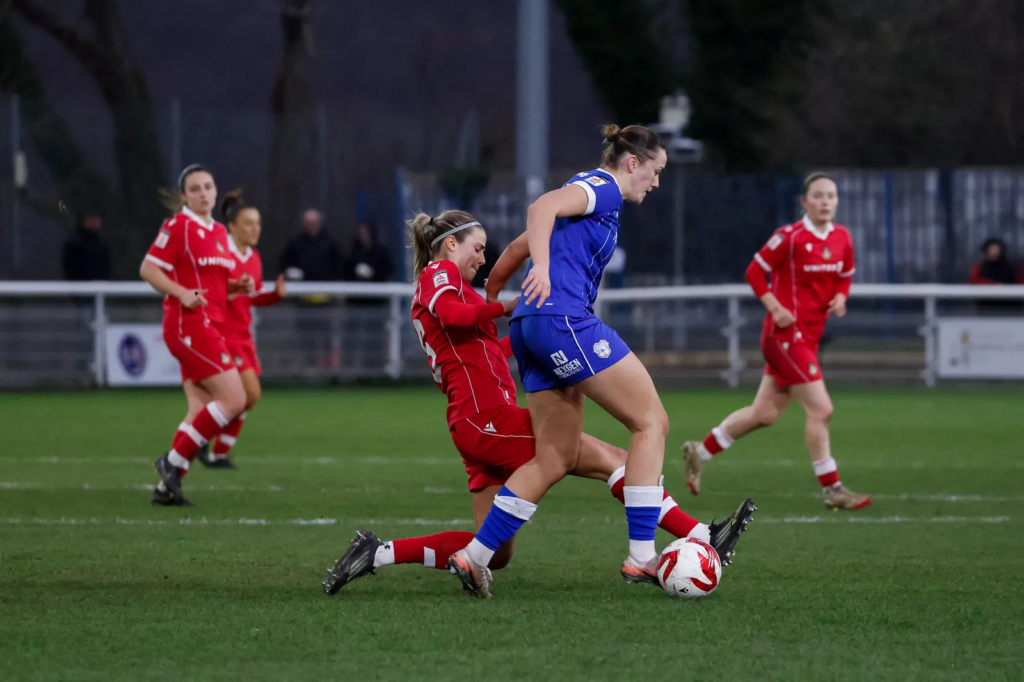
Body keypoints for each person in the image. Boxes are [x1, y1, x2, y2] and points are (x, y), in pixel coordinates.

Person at [322, 210, 743, 597]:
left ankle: (376, 553)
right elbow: (452, 316)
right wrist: (508, 306)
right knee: (614, 458)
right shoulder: (438, 274)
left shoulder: (459, 289)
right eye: (478, 247)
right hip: (487, 418)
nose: (483, 258)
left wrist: (542, 335)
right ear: (451, 244)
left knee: (497, 552)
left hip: (478, 425)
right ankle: (701, 535)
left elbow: (489, 349)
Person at [447, 125, 756, 597]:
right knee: (651, 422)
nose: (655, 183)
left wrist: (493, 290)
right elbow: (539, 208)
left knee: (553, 457)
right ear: (632, 162)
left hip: (532, 327)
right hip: (563, 321)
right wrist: (545, 274)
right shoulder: (604, 187)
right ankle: (641, 557)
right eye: (655, 172)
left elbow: (517, 247)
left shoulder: (589, 193)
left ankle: (474, 557)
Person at [682, 172, 872, 511]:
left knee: (764, 414)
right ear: (804, 202)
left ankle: (700, 451)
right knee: (821, 409)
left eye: (831, 195)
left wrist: (841, 299)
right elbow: (754, 272)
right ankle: (833, 489)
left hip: (808, 338)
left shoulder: (842, 237)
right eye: (818, 195)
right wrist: (775, 306)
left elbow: (846, 277)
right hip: (784, 336)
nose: (826, 201)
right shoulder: (789, 237)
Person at [139, 164, 250, 506]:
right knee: (235, 399)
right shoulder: (178, 226)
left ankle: (165, 490)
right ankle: (170, 463)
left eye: (208, 187)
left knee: (199, 409)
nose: (203, 193)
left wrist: (233, 286)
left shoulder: (217, 231)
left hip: (209, 322)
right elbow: (148, 268)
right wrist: (181, 292)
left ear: (215, 192)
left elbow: (209, 282)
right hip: (189, 325)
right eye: (195, 188)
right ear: (184, 195)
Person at [194, 190, 287, 470]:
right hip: (222, 336)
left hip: (244, 337)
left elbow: (252, 296)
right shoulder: (221, 256)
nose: (254, 228)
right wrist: (229, 290)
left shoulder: (254, 257)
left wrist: (274, 296)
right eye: (248, 223)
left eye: (257, 223)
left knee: (239, 399)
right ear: (232, 226)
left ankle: (216, 452)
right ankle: (204, 441)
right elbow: (206, 293)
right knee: (249, 394)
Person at [279, 209, 342, 368]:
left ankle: (328, 366)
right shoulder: (295, 243)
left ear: (319, 223)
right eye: (308, 223)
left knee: (326, 335)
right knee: (305, 335)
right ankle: (309, 365)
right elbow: (284, 264)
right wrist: (290, 272)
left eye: (314, 223)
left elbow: (339, 266)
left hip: (325, 299)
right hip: (303, 300)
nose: (311, 226)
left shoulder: (330, 243)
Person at [969, 237, 1024, 313]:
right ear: (986, 251)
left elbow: (1020, 284)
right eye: (991, 249)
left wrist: (1008, 290)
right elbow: (975, 282)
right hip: (987, 309)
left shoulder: (1012, 268)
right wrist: (995, 286)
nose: (994, 251)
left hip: (1010, 309)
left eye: (996, 249)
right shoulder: (979, 268)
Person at [63, 213, 111, 282]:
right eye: (92, 220)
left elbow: (106, 267)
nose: (95, 223)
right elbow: (70, 269)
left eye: (97, 220)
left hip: (100, 286)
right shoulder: (74, 243)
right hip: (79, 286)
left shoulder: (101, 243)